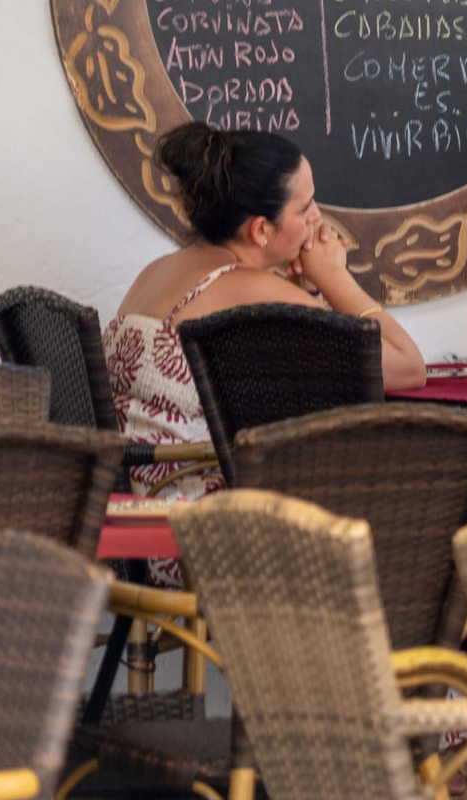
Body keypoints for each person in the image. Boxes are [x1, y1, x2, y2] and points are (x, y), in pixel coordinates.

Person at [104, 122, 425, 584]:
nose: (318, 217)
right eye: (306, 206)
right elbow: (407, 366)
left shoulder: (159, 271)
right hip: (193, 538)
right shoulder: (249, 287)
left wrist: (296, 291)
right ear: (260, 229)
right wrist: (335, 278)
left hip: (128, 528)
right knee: (410, 525)